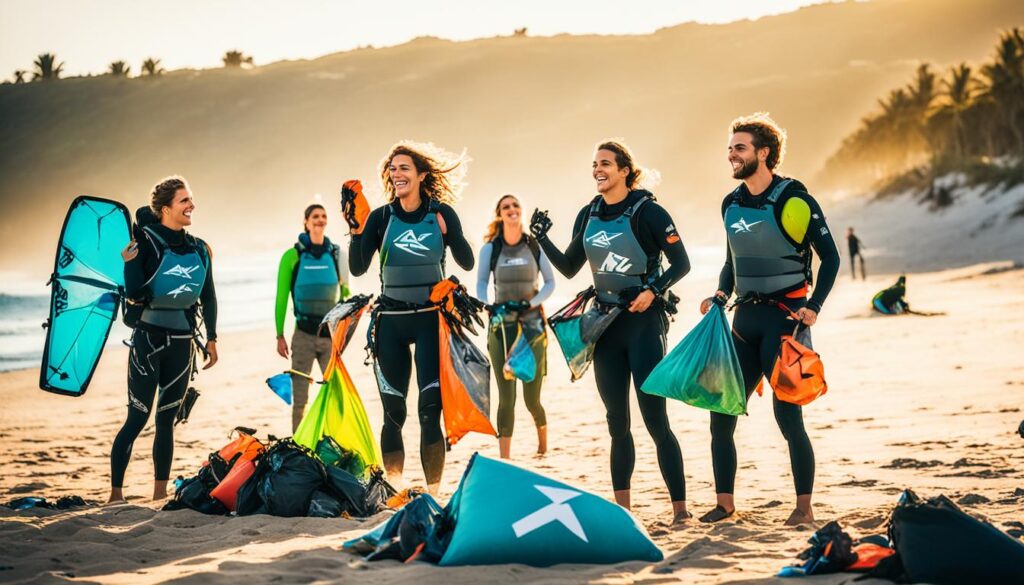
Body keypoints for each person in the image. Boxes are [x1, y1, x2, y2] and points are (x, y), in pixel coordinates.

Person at [530, 140, 691, 522]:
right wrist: (541, 238)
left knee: (656, 421)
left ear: (624, 170)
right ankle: (624, 511)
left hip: (643, 325)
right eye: (594, 164)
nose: (598, 169)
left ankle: (680, 511)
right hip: (604, 327)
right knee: (617, 423)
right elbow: (570, 267)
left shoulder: (648, 211)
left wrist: (653, 291)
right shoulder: (589, 214)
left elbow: (680, 263)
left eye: (605, 163)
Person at [699, 113, 839, 525]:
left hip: (784, 322)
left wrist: (815, 305)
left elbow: (829, 257)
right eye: (729, 148)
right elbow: (732, 262)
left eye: (739, 148)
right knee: (722, 414)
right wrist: (721, 293)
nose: (731, 155)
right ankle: (725, 505)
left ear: (764, 153)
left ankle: (802, 507)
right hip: (744, 319)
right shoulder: (732, 203)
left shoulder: (794, 200)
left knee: (787, 417)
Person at [346, 141, 474, 494]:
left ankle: (432, 491)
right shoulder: (381, 218)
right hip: (391, 322)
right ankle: (395, 487)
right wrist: (355, 231)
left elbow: (467, 262)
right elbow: (358, 269)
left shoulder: (441, 214)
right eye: (393, 169)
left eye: (404, 168)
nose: (397, 174)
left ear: (420, 175)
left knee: (430, 409)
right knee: (393, 412)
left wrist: (451, 236)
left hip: (431, 320)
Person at [108, 176, 218, 503]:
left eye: (191, 199)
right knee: (138, 416)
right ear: (165, 208)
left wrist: (212, 338)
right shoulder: (145, 243)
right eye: (184, 201)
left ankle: (158, 492)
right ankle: (116, 494)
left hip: (183, 343)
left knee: (166, 419)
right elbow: (137, 293)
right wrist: (129, 265)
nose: (191, 206)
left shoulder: (199, 248)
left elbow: (208, 296)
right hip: (148, 341)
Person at [476, 194, 556, 459]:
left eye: (515, 206)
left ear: (520, 211)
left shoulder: (533, 245)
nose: (512, 210)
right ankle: (505, 458)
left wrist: (531, 303)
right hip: (501, 326)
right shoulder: (492, 248)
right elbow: (480, 284)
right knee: (506, 397)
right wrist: (488, 305)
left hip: (532, 328)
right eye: (506, 206)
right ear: (500, 213)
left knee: (532, 399)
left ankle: (543, 448)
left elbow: (549, 283)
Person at [275, 203, 350, 430]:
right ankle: (299, 445)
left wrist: (345, 329)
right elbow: (281, 298)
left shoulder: (337, 255)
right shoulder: (292, 256)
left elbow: (346, 295)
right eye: (315, 216)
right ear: (306, 222)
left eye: (323, 216)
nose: (320, 219)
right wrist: (279, 334)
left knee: (336, 395)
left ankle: (334, 439)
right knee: (300, 399)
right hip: (303, 336)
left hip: (330, 337)